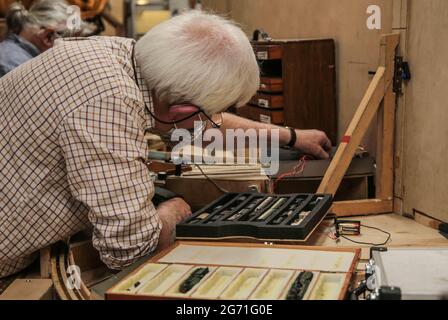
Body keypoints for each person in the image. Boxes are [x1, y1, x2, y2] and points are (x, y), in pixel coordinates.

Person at [0, 11, 331, 278]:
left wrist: (291, 135)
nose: (214, 121)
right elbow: (127, 249)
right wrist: (170, 212)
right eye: (212, 112)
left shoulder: (125, 56)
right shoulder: (109, 102)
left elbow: (196, 122)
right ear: (181, 110)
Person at [0, 0, 93, 77]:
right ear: (48, 37)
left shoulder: (9, 55)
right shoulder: (21, 71)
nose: (72, 54)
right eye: (70, 46)